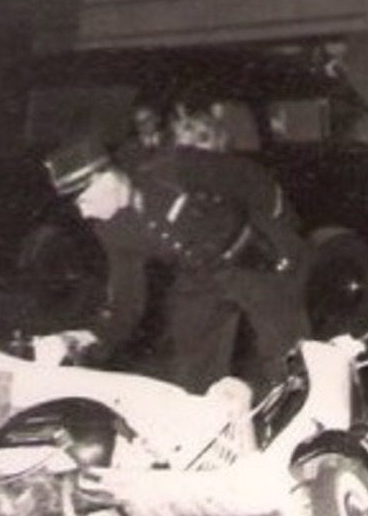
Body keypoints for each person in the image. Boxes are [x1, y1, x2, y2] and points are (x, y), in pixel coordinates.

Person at [41, 133, 310, 394]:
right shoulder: (111, 228)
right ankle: (206, 421)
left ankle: (299, 406)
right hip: (199, 271)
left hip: (254, 255)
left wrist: (281, 233)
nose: (84, 213)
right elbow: (127, 299)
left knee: (285, 351)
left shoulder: (171, 170)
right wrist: (87, 337)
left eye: (84, 200)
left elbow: (248, 179)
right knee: (192, 357)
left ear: (106, 178)